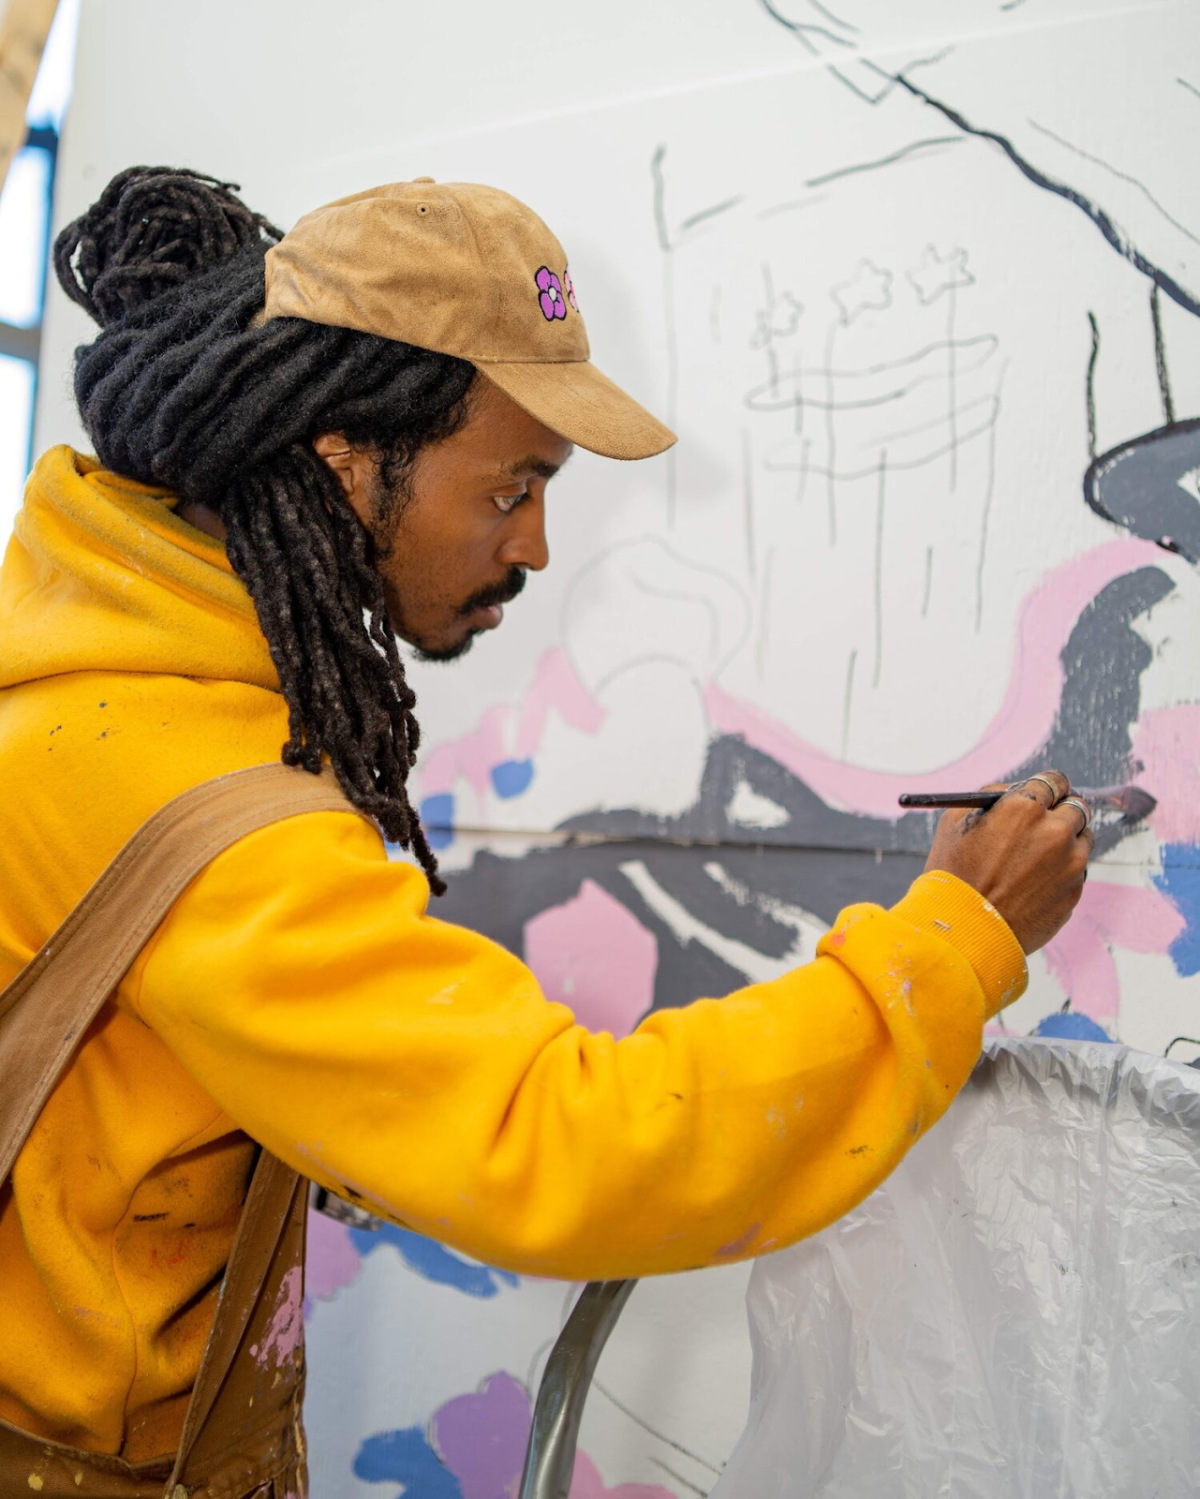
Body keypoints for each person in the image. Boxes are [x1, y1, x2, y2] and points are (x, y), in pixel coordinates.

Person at [0, 168, 1093, 1477]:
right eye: (513, 486)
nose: (536, 547)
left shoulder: (79, 681)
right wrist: (956, 944)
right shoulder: (213, 814)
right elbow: (571, 1144)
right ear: (341, 457)